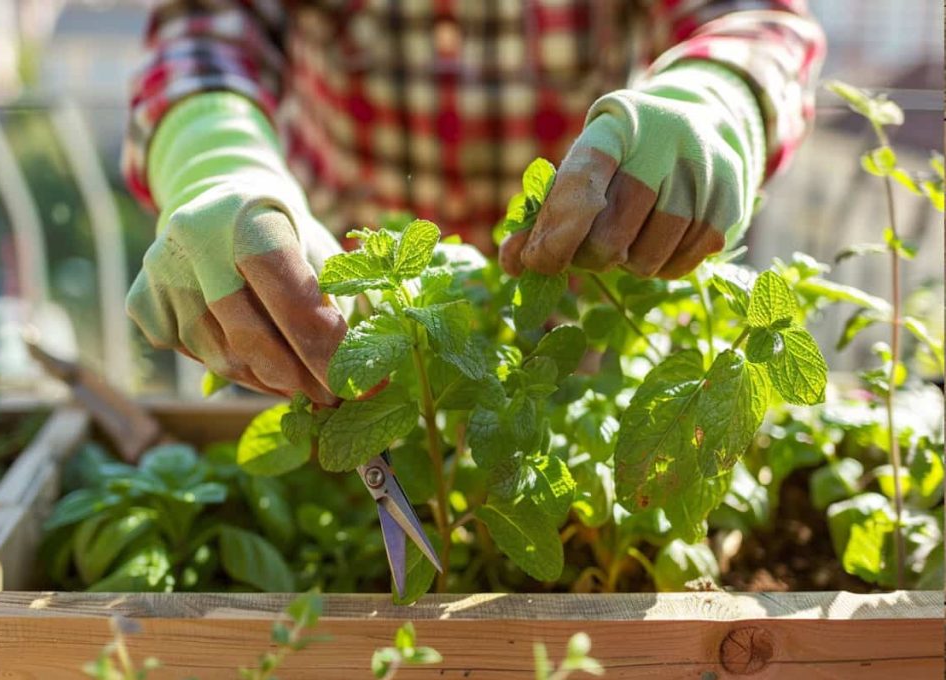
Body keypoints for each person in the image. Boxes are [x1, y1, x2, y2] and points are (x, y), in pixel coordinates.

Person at [123, 1, 825, 404]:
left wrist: (717, 99)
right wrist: (212, 159)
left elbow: (754, 17)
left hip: (583, 330)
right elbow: (205, 26)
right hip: (324, 324)